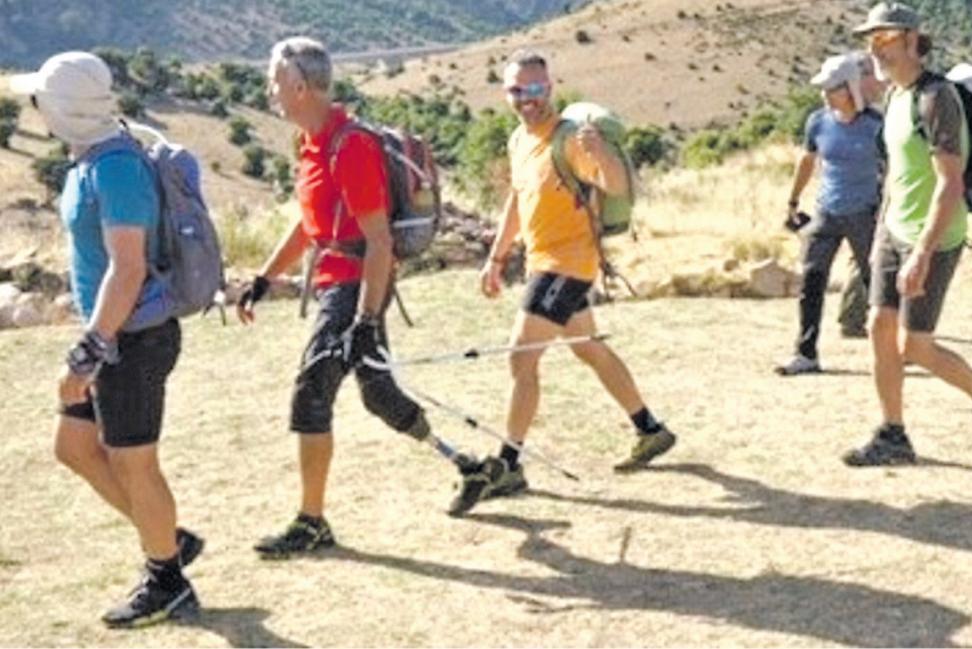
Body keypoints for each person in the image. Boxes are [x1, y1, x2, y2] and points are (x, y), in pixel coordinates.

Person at [238, 37, 463, 556]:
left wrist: (363, 318)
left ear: (298, 85)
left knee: (311, 394)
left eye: (275, 81)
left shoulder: (350, 145)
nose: (270, 90)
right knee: (379, 396)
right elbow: (311, 225)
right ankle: (471, 466)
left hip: (354, 288)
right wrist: (264, 278)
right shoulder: (313, 143)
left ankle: (311, 521)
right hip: (340, 286)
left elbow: (379, 241)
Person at [10, 52, 202, 627]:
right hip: (115, 335)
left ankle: (166, 578)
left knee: (133, 462)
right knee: (72, 448)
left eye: (41, 100)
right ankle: (166, 537)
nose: (35, 108)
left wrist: (88, 351)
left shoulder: (116, 168)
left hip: (132, 339)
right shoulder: (90, 161)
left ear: (63, 109)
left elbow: (128, 269)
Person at [448, 50, 675, 516]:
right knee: (587, 347)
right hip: (540, 262)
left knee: (520, 357)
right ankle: (650, 429)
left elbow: (616, 186)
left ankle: (509, 463)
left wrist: (602, 153)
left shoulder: (571, 140)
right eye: (517, 90)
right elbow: (517, 199)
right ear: (507, 92)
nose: (526, 98)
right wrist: (496, 257)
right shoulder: (519, 140)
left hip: (568, 264)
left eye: (535, 89)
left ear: (549, 89)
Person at [844, 2, 972, 465]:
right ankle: (893, 434)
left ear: (910, 40)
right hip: (894, 229)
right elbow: (898, 173)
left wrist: (920, 253)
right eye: (869, 41)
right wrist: (884, 227)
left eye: (882, 39)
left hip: (933, 238)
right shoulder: (895, 97)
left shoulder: (937, 97)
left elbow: (950, 183)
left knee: (914, 346)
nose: (874, 49)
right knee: (878, 329)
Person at [776, 52, 885, 375]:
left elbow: (894, 169)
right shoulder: (817, 122)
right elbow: (807, 161)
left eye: (831, 87)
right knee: (811, 281)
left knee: (876, 284)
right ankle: (806, 354)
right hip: (826, 212)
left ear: (850, 88)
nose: (824, 94)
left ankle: (893, 350)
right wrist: (793, 201)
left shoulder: (876, 126)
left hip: (865, 214)